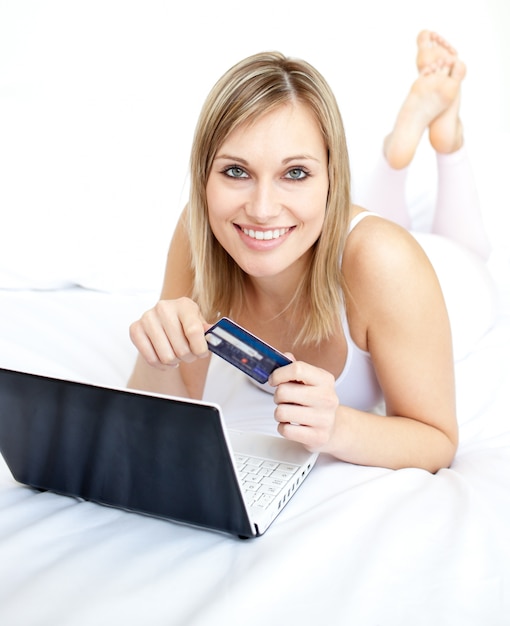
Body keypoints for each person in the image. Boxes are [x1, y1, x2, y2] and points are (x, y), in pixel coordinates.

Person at [128, 31, 491, 473]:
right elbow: (170, 402)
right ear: (204, 176)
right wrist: (157, 357)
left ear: (332, 179)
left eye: (295, 172)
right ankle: (398, 151)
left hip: (449, 280)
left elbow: (437, 439)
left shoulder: (387, 263)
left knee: (464, 247)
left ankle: (442, 140)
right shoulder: (201, 229)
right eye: (236, 171)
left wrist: (338, 429)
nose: (261, 210)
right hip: (365, 257)